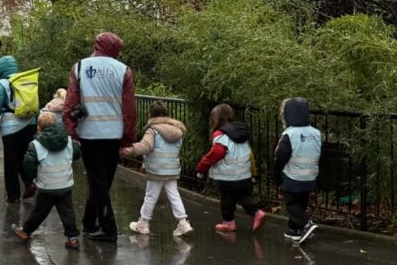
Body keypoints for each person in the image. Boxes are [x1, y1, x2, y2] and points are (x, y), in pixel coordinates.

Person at [63, 32, 136, 243]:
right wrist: (128, 138)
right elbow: (130, 109)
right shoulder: (124, 71)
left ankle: (108, 229)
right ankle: (90, 221)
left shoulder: (79, 67)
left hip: (90, 133)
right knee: (103, 181)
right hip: (114, 133)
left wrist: (72, 130)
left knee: (98, 181)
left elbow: (70, 103)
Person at [11, 112, 82, 250]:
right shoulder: (68, 141)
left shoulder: (36, 145)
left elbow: (29, 164)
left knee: (39, 211)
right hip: (65, 184)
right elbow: (77, 153)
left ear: (39, 127)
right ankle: (72, 239)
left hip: (46, 185)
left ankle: (25, 231)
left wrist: (32, 178)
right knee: (67, 211)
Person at [123, 100, 194, 237]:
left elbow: (146, 146)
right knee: (174, 195)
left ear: (151, 114)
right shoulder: (178, 131)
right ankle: (183, 223)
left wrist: (131, 150)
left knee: (150, 196)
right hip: (172, 169)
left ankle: (143, 224)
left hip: (156, 169)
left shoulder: (153, 130)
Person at [196, 104, 267, 232]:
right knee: (244, 196)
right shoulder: (241, 133)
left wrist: (201, 168)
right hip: (244, 173)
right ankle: (256, 212)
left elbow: (216, 153)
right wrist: (253, 172)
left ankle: (229, 222)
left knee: (227, 199)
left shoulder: (221, 134)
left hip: (227, 175)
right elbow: (249, 154)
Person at [0, 55, 37, 203]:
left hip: (12, 128)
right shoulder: (25, 80)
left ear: (1, 68)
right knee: (23, 158)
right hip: (30, 123)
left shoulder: (2, 84)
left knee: (11, 163)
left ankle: (13, 196)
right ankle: (30, 183)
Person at [275, 97, 321, 243]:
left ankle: (306, 225)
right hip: (311, 175)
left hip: (293, 176)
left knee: (291, 204)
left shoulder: (290, 134)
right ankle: (294, 230)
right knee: (301, 203)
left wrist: (277, 175)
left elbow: (281, 157)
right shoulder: (315, 133)